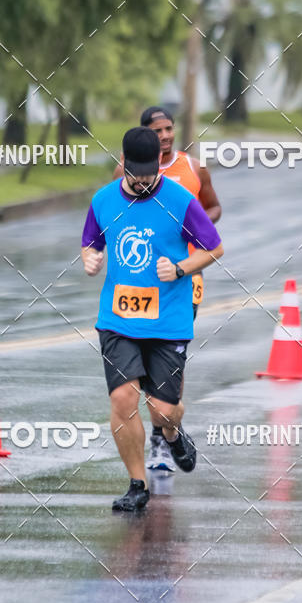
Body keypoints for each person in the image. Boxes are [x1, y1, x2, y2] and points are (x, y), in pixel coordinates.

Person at [82, 127, 224, 511]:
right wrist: (90, 259)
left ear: (159, 165)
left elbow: (214, 248)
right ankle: (137, 484)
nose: (144, 182)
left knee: (162, 410)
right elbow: (90, 243)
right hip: (118, 319)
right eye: (136, 174)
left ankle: (174, 433)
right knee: (122, 398)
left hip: (168, 319)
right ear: (124, 164)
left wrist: (180, 268)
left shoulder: (180, 200)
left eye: (151, 174)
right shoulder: (103, 200)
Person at [113, 107, 223, 472]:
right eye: (156, 130)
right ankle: (167, 431)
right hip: (138, 281)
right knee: (136, 363)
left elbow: (213, 207)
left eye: (169, 128)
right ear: (144, 136)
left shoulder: (194, 168)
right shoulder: (123, 173)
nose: (164, 135)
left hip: (183, 278)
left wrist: (191, 225)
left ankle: (163, 438)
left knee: (171, 358)